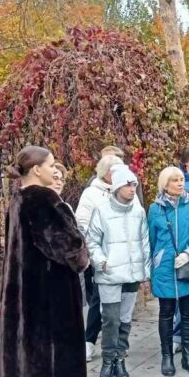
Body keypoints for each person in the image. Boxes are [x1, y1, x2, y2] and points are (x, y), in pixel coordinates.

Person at [0, 146, 89, 377]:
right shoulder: (45, 200)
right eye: (50, 164)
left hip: (23, 293)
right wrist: (82, 254)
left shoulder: (18, 200)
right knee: (51, 364)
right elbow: (71, 249)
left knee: (26, 362)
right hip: (51, 296)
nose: (54, 169)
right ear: (36, 169)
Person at [85, 165, 151, 377]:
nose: (133, 189)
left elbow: (144, 242)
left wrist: (145, 270)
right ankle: (107, 360)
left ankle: (120, 358)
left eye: (134, 185)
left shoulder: (138, 211)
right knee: (110, 319)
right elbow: (92, 240)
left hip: (131, 275)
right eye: (128, 185)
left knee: (124, 320)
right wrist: (100, 261)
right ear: (117, 187)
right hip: (110, 273)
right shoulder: (102, 210)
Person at [148, 166, 189, 377]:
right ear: (164, 184)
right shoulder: (155, 209)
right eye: (174, 180)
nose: (179, 183)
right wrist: (153, 264)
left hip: (188, 267)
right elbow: (150, 240)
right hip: (165, 268)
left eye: (180, 179)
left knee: (188, 313)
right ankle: (167, 356)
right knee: (166, 312)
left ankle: (188, 355)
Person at [75, 154, 125, 361]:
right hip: (101, 254)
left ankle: (119, 342)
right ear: (107, 174)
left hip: (122, 254)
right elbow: (82, 223)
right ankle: (89, 341)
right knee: (97, 298)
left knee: (121, 299)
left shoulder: (124, 191)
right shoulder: (92, 194)